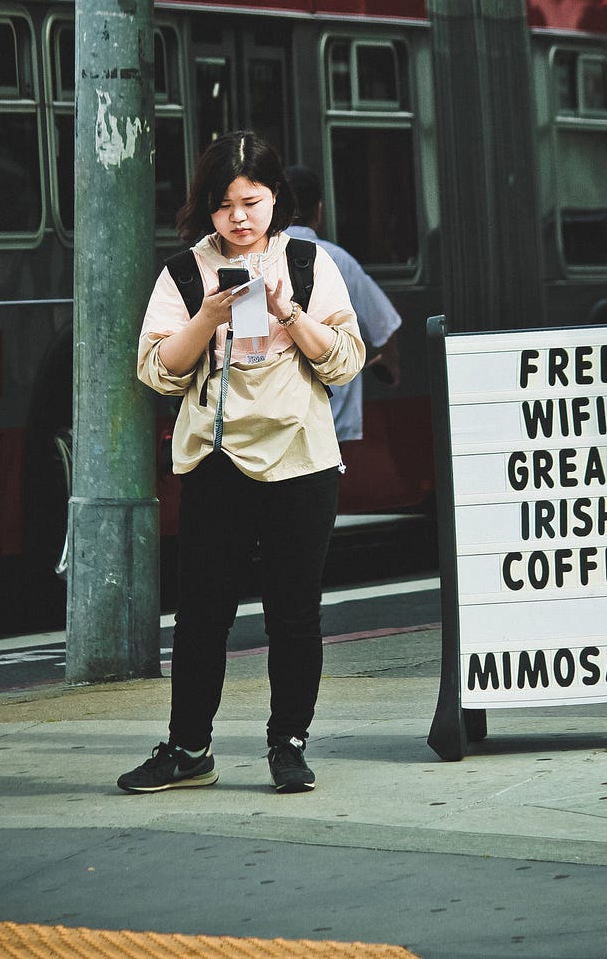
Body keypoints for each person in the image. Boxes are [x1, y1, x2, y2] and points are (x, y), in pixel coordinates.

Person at [119, 131, 364, 797]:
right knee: (202, 615)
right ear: (207, 207)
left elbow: (345, 359)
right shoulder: (183, 273)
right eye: (225, 205)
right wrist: (206, 318)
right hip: (216, 460)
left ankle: (288, 745)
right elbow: (157, 372)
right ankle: (189, 748)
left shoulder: (309, 263)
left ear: (274, 198)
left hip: (302, 460)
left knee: (295, 613)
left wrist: (290, 312)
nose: (240, 218)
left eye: (252, 202)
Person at [284, 165, 401, 444]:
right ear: (320, 211)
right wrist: (389, 366)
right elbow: (386, 324)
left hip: (276, 428)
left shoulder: (256, 260)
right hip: (333, 425)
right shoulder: (338, 260)